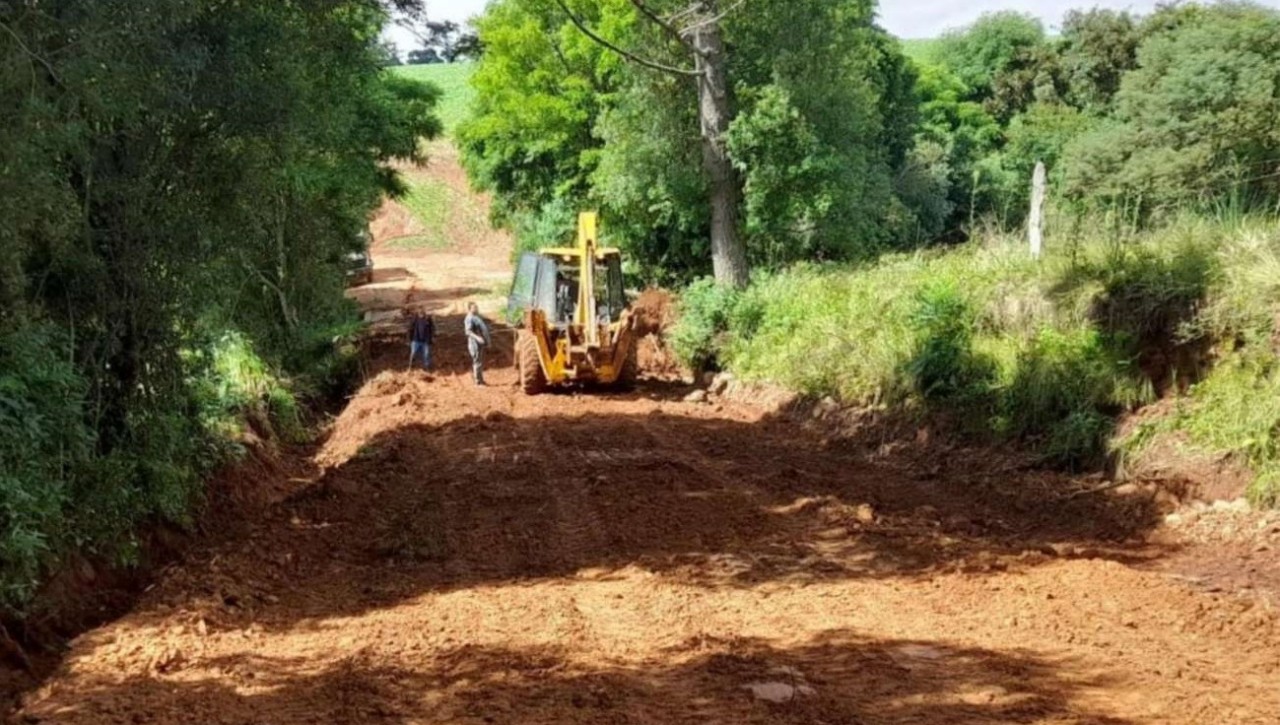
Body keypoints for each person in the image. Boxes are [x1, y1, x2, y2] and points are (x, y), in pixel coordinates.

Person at [464, 302, 492, 386]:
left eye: (476, 307)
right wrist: (477, 338)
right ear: (469, 309)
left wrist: (487, 341)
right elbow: (468, 331)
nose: (476, 309)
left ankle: (481, 380)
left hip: (480, 343)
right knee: (477, 362)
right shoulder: (469, 318)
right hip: (474, 343)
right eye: (474, 307)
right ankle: (478, 382)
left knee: (479, 362)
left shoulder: (476, 317)